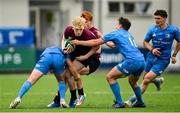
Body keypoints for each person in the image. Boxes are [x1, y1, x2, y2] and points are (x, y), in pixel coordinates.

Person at [72, 17, 146, 108]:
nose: (115, 26)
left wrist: (79, 42)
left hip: (132, 61)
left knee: (110, 77)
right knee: (132, 81)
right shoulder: (128, 35)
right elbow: (113, 45)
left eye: (117, 24)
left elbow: (96, 42)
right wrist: (102, 36)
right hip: (142, 60)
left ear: (120, 25)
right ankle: (140, 102)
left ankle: (119, 103)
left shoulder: (116, 33)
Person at [125, 9, 180, 107]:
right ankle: (157, 81)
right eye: (155, 18)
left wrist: (175, 54)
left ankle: (131, 100)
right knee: (145, 77)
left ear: (165, 18)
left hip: (162, 60)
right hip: (151, 57)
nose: (156, 20)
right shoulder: (152, 29)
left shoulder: (173, 30)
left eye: (158, 18)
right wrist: (152, 49)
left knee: (146, 80)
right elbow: (145, 42)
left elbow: (179, 41)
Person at [47, 16, 99, 108]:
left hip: (85, 56)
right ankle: (70, 99)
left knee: (67, 74)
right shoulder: (68, 30)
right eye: (76, 29)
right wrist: (64, 49)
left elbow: (97, 46)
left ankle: (68, 99)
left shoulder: (88, 34)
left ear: (84, 28)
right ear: (72, 27)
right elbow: (64, 39)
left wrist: (86, 56)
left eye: (80, 29)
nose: (78, 32)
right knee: (64, 76)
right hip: (73, 54)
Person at [9, 46, 79, 109]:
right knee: (61, 80)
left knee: (31, 80)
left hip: (47, 57)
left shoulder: (52, 48)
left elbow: (43, 56)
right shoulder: (66, 55)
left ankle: (18, 98)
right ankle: (62, 100)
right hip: (59, 58)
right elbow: (70, 65)